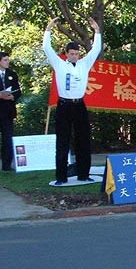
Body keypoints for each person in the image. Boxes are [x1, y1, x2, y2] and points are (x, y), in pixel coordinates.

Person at [43, 17, 102, 185]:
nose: (75, 56)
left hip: (79, 105)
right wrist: (48, 29)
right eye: (72, 54)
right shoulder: (59, 64)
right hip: (64, 106)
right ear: (67, 54)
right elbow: (46, 48)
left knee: (83, 140)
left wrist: (97, 31)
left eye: (77, 54)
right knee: (62, 142)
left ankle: (84, 174)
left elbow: (96, 49)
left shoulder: (84, 64)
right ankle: (61, 177)